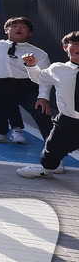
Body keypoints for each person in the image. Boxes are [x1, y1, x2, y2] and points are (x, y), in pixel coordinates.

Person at [0, 16, 52, 145]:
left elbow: (45, 77)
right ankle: (0, 133)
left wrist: (43, 97)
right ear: (6, 30)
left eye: (24, 27)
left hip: (27, 86)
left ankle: (53, 147)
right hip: (0, 84)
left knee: (42, 114)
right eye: (14, 26)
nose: (18, 29)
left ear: (30, 33)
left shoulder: (39, 53)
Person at [17, 31, 79, 177]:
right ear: (65, 48)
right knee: (52, 148)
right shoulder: (58, 68)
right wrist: (32, 66)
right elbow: (39, 78)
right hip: (67, 120)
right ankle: (47, 169)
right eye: (75, 44)